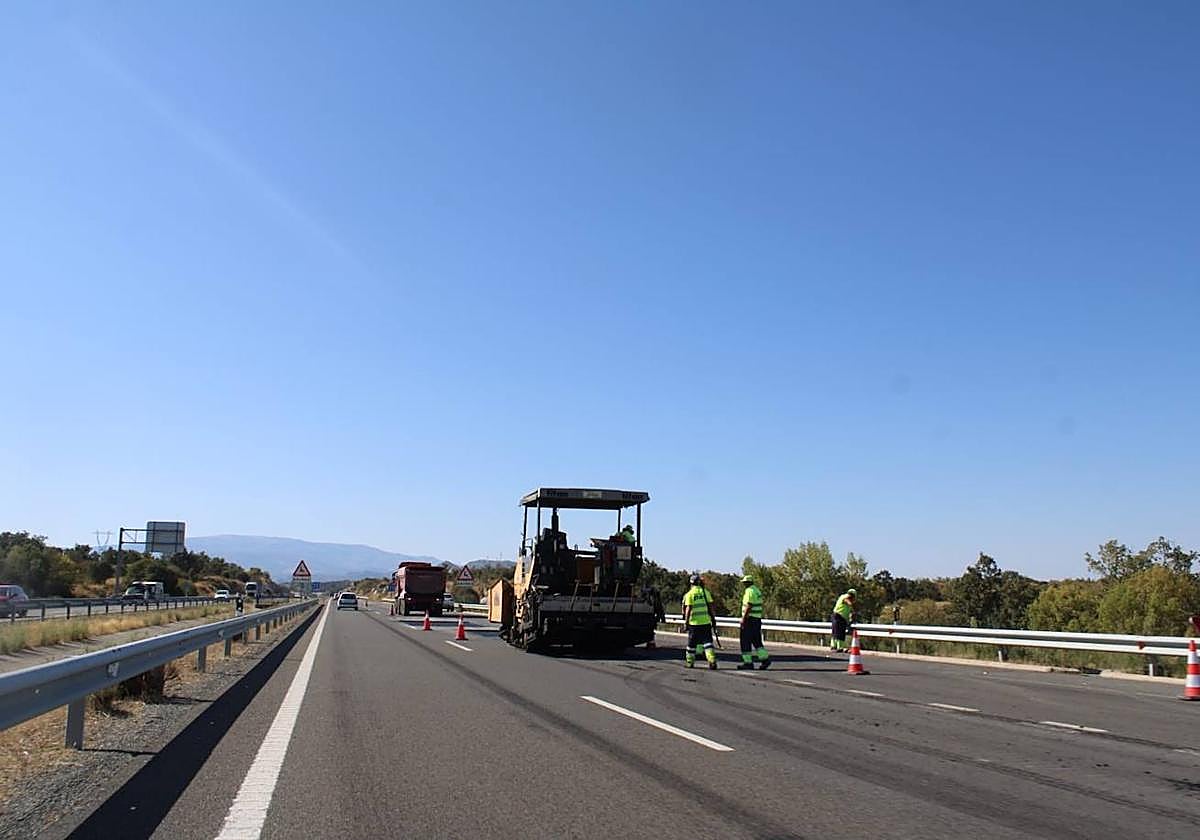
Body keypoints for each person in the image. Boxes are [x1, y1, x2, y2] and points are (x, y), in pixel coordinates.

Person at [681, 574, 718, 669]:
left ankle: (690, 662)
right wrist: (713, 619)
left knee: (691, 645)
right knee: (708, 643)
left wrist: (686, 622)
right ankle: (712, 660)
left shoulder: (690, 594)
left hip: (694, 623)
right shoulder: (705, 592)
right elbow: (711, 607)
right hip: (705, 622)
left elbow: (688, 609)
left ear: (691, 583)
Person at [738, 575, 771, 670]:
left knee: (745, 641)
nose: (743, 584)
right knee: (757, 641)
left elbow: (749, 605)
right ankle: (765, 659)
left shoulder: (749, 591)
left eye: (744, 582)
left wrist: (743, 619)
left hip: (749, 620)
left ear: (748, 582)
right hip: (756, 620)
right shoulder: (756, 590)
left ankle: (748, 663)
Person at [830, 588, 856, 654]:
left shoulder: (847, 600)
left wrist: (851, 618)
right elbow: (847, 601)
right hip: (838, 616)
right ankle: (838, 647)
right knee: (838, 632)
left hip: (840, 617)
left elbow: (849, 612)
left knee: (837, 631)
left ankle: (835, 646)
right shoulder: (845, 597)